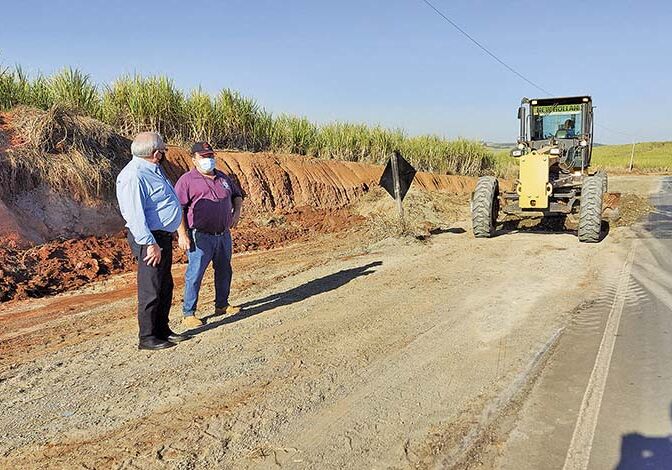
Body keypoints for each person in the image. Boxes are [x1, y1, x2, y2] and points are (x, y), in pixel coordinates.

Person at [116, 132, 190, 350]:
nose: (163, 154)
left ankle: (162, 330)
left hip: (162, 237)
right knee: (151, 288)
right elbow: (135, 215)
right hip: (150, 238)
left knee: (164, 285)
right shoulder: (134, 175)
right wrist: (150, 243)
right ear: (155, 153)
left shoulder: (153, 170)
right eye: (163, 151)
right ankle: (147, 337)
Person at [175, 142, 243, 327]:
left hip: (223, 235)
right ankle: (189, 313)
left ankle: (222, 305)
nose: (208, 160)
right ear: (194, 159)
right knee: (195, 274)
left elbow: (237, 195)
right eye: (204, 157)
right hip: (200, 236)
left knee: (224, 270)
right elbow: (178, 208)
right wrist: (182, 234)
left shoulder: (223, 178)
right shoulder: (187, 180)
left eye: (210, 156)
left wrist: (236, 213)